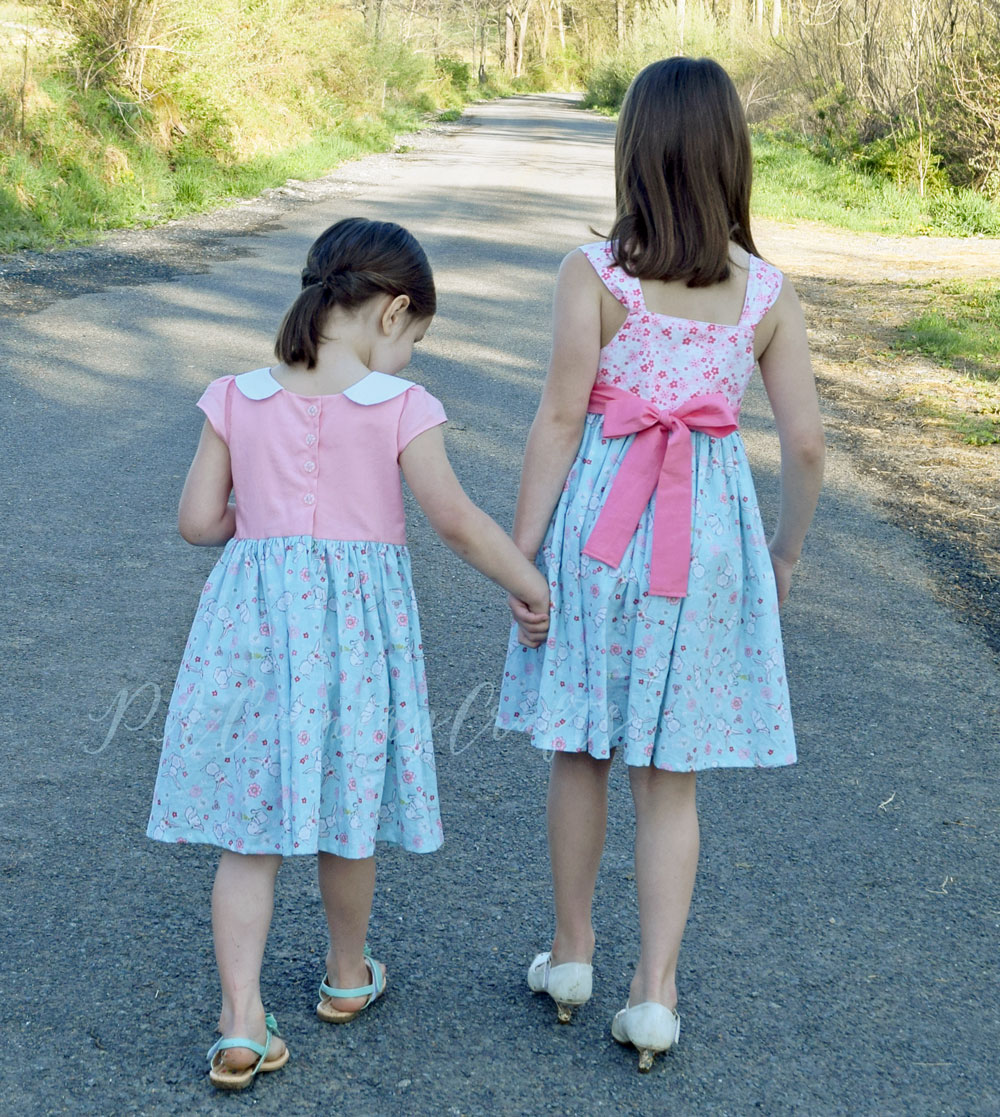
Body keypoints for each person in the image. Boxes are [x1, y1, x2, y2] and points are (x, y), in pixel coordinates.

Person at [147, 217, 549, 1090]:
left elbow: (195, 522)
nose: (411, 355)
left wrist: (259, 526)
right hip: (355, 641)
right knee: (349, 807)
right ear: (394, 311)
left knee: (248, 829)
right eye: (418, 338)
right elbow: (454, 519)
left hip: (251, 632)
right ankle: (345, 975)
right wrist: (530, 583)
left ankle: (241, 1020)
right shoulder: (401, 406)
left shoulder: (236, 395)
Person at [496, 57, 825, 1072]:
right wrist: (784, 551)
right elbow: (807, 444)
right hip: (707, 544)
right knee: (671, 780)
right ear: (734, 157)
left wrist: (522, 557)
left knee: (581, 749)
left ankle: (572, 952)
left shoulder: (593, 275)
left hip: (601, 531)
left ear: (632, 151)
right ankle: (655, 993)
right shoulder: (764, 291)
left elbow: (558, 417)